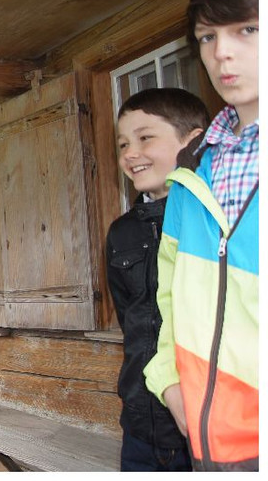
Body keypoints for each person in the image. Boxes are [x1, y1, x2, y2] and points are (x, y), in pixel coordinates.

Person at [143, 0, 258, 472]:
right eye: (208, 37)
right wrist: (169, 380)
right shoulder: (192, 171)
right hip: (212, 439)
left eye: (248, 29)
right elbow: (170, 295)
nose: (221, 53)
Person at [107, 87, 208, 471]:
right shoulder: (121, 232)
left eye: (145, 137)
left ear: (193, 142)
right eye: (123, 144)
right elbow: (131, 323)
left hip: (206, 426)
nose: (130, 154)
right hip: (140, 429)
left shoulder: (214, 219)